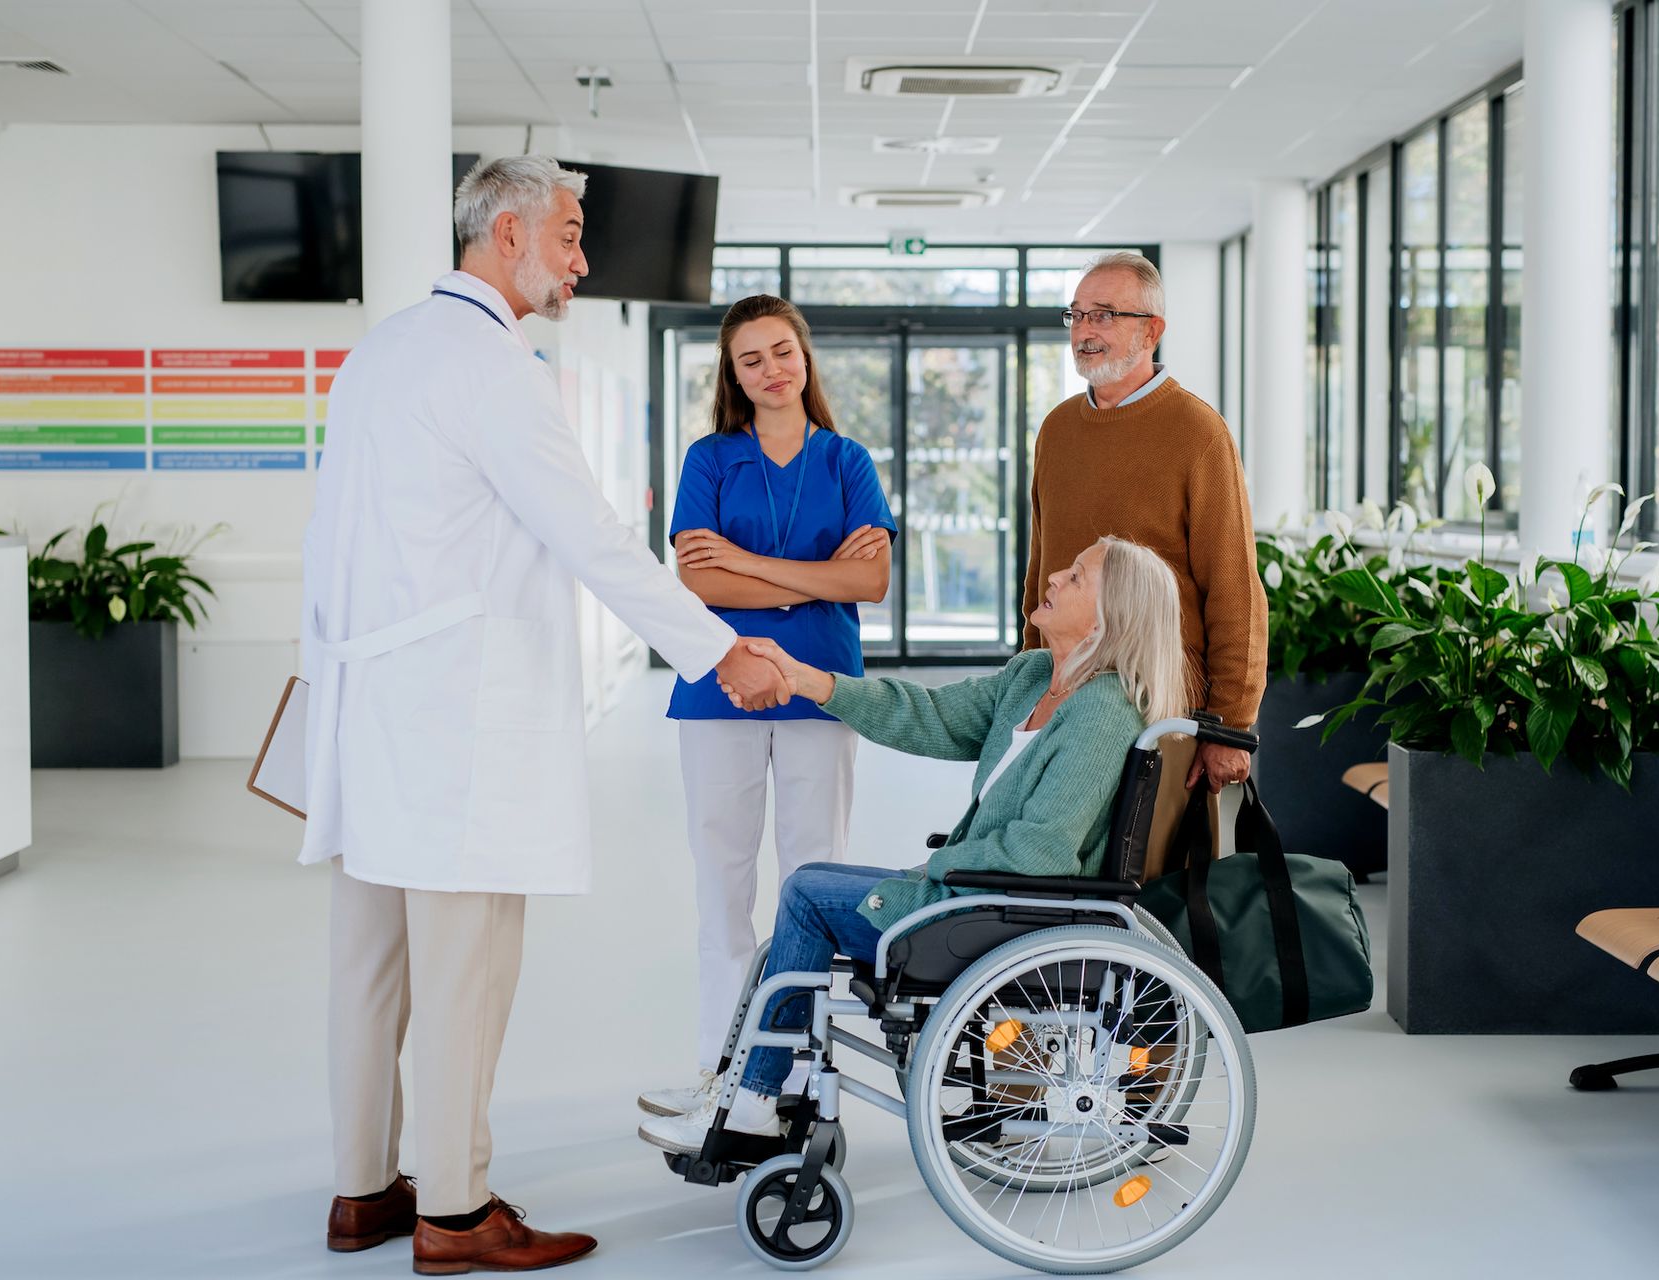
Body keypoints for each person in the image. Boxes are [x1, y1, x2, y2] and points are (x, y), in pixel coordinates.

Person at [298, 156, 788, 1273]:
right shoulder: (494, 366)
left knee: (369, 966)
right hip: (457, 719)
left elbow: (332, 538)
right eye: (568, 235)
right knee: (463, 969)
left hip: (375, 709)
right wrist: (718, 650)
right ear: (507, 232)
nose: (581, 259)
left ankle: (363, 1188)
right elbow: (594, 538)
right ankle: (459, 1213)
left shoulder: (381, 352)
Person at [637, 536, 1188, 1152]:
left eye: (1078, 575)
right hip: (973, 894)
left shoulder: (1103, 712)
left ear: (1113, 615)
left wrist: (941, 866)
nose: (1055, 576)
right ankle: (741, 1087)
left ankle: (752, 1101)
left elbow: (1043, 853)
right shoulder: (1034, 677)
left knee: (809, 895)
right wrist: (811, 682)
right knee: (808, 889)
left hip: (1008, 910)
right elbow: (932, 714)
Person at [637, 295, 896, 1121]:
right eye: (752, 360)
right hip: (721, 689)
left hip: (821, 690)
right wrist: (812, 573)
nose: (772, 370)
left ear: (805, 356)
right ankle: (723, 1067)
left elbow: (870, 582)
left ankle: (795, 1073)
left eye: (782, 352)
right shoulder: (709, 459)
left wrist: (751, 562)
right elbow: (698, 582)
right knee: (723, 884)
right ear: (734, 375)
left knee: (813, 878)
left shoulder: (848, 460)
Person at [1022, 251, 1268, 791]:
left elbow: (1234, 588)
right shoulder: (1056, 430)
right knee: (1050, 858)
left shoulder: (1199, 432)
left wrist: (1229, 727)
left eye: (1104, 314)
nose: (1085, 330)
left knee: (1153, 869)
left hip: (1159, 706)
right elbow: (1040, 567)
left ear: (1152, 329)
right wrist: (1026, 677)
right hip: (1062, 692)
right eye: (1077, 314)